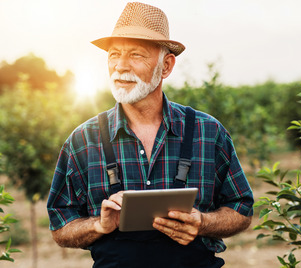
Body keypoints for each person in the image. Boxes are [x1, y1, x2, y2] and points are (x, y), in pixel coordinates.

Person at [47, 2, 254, 267]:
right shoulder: (82, 141)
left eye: (136, 55)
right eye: (113, 54)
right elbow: (60, 227)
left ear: (166, 66)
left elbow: (241, 209)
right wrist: (98, 225)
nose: (120, 66)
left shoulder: (208, 132)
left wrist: (202, 222)